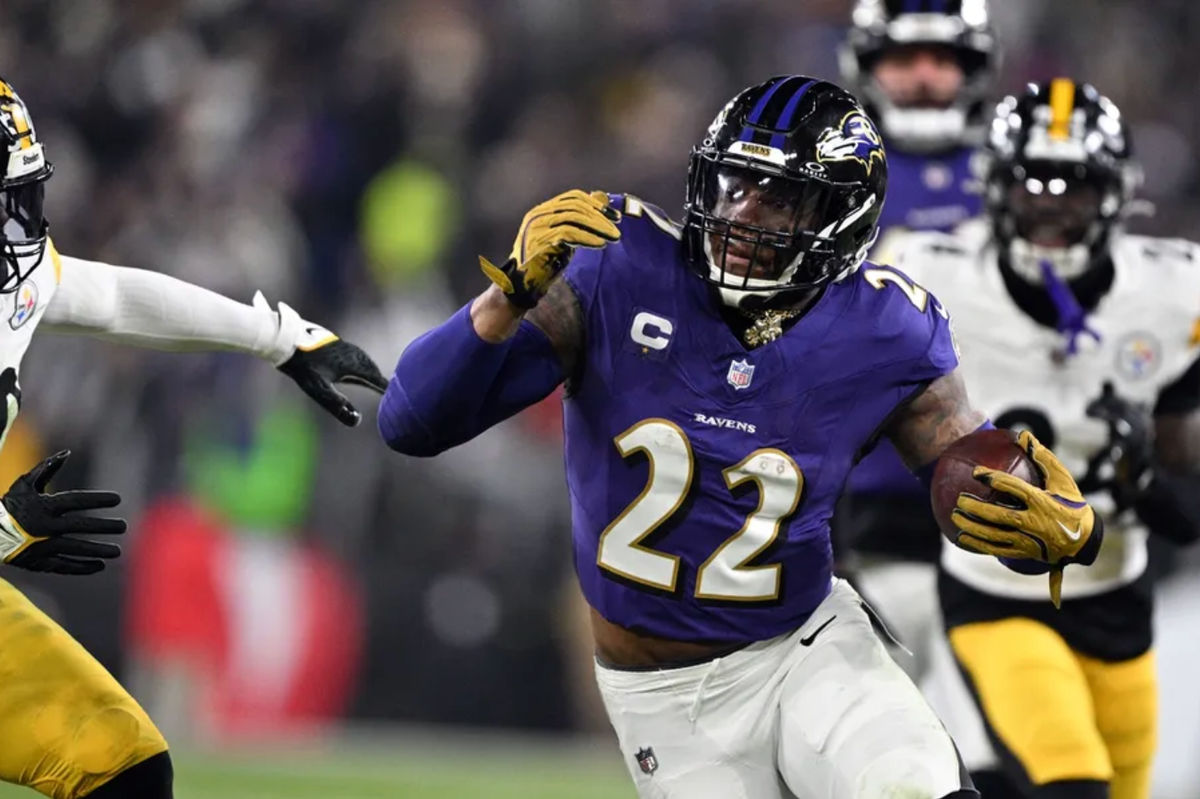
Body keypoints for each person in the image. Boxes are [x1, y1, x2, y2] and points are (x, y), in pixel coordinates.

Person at [379, 74, 1103, 799]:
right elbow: (411, 419)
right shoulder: (614, 263)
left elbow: (972, 472)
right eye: (735, 184)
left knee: (914, 788)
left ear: (842, 217)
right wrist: (507, 295)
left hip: (808, 649)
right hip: (666, 699)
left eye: (781, 197)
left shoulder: (885, 326)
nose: (744, 212)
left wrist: (1053, 515)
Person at [0, 77, 386, 798]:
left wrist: (280, 338)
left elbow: (112, 299)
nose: (18, 222)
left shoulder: (14, 279)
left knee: (125, 766)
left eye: (19, 197)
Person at [896, 79, 1200, 799]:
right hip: (993, 592)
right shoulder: (929, 273)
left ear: (1118, 192)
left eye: (1075, 181)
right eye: (1031, 180)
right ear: (994, 187)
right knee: (1072, 785)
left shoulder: (1171, 295)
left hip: (1119, 594)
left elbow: (1189, 515)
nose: (1052, 200)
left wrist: (1143, 483)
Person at [835, 0, 998, 676]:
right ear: (869, 66)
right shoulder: (831, 182)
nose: (927, 77)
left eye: (943, 59)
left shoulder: (1024, 182)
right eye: (905, 60)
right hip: (867, 495)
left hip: (1002, 487)